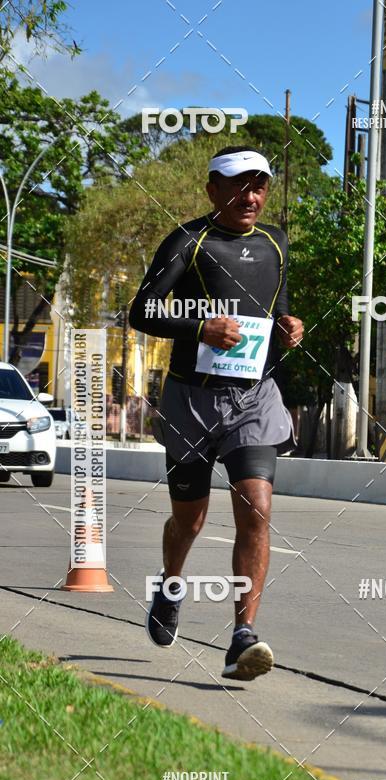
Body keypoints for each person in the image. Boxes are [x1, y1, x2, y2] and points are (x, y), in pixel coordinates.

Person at [129, 145, 303, 680]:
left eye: (259, 187)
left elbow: (275, 305)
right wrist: (200, 327)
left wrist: (288, 326)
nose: (249, 197)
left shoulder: (276, 242)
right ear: (212, 189)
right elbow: (141, 310)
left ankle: (242, 636)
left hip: (254, 397)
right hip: (192, 400)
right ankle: (171, 583)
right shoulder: (188, 240)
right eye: (237, 186)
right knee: (191, 520)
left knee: (256, 506)